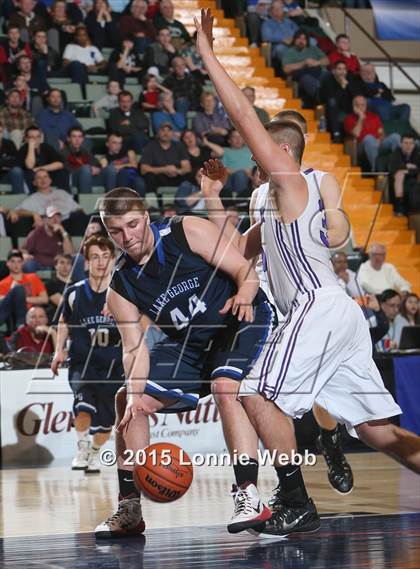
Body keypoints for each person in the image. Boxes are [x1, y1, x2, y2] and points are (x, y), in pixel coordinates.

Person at [195, 8, 420, 537]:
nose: (255, 162)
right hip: (330, 316)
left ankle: (295, 498)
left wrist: (208, 54)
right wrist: (211, 200)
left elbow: (246, 120)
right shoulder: (263, 200)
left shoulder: (296, 184)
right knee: (380, 433)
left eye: (263, 154)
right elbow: (237, 255)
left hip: (320, 306)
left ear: (283, 154)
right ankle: (314, 463)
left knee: (252, 387)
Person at [94, 187, 277, 537]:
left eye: (132, 224)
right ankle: (130, 505)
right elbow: (134, 348)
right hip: (189, 346)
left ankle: (248, 495)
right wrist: (135, 396)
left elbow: (245, 270)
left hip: (237, 320)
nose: (127, 237)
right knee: (127, 401)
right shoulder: (120, 286)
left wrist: (243, 295)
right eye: (116, 231)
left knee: (225, 386)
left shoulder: (186, 230)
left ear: (146, 216)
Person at [51, 235, 124, 474]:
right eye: (95, 257)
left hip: (114, 368)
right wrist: (59, 350)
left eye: (105, 256)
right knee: (83, 405)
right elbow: (63, 321)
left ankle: (93, 452)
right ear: (86, 262)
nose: (101, 262)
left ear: (113, 260)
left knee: (105, 424)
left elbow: (138, 327)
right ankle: (81, 448)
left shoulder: (123, 294)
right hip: (83, 364)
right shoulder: (74, 293)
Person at [10, 169, 89, 239]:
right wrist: (33, 213)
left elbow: (78, 209)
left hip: (69, 222)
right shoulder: (32, 198)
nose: (43, 180)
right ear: (34, 182)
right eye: (39, 178)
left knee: (91, 216)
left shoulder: (62, 193)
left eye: (45, 177)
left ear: (50, 180)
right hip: (48, 225)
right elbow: (17, 211)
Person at [344, 96, 401, 172]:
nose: (360, 107)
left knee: (395, 137)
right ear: (353, 106)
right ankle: (377, 171)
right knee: (369, 138)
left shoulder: (374, 116)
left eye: (363, 105)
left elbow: (382, 133)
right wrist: (361, 118)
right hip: (361, 146)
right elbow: (356, 134)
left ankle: (398, 168)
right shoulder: (349, 118)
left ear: (366, 106)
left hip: (378, 143)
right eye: (357, 105)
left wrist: (379, 139)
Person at [140, 122, 191, 194]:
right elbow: (143, 169)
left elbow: (187, 167)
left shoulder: (179, 146)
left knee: (188, 175)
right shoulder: (150, 146)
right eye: (163, 130)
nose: (165, 133)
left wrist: (176, 171)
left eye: (168, 130)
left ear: (172, 133)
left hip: (176, 176)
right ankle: (152, 203)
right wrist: (164, 169)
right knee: (149, 176)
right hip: (159, 177)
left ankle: (185, 202)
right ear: (158, 132)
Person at [0, 249, 48, 325]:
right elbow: (2, 303)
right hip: (13, 314)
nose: (16, 265)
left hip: (32, 312)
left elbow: (45, 299)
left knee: (19, 290)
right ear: (7, 263)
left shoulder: (33, 277)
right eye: (13, 261)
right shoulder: (2, 283)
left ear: (23, 263)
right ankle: (21, 327)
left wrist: (20, 298)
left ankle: (21, 327)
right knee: (18, 290)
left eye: (19, 261)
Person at [282, 30, 329, 107]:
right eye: (299, 38)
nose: (301, 41)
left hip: (319, 72)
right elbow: (286, 69)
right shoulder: (290, 52)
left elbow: (327, 60)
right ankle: (321, 99)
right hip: (302, 76)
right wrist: (304, 63)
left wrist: (316, 62)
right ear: (294, 40)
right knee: (307, 79)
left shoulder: (313, 48)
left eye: (304, 39)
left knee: (330, 75)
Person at [21, 206, 75, 272]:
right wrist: (25, 255)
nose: (55, 220)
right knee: (28, 265)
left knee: (72, 263)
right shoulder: (36, 233)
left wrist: (63, 231)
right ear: (45, 219)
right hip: (39, 264)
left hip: (57, 265)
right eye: (51, 217)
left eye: (58, 217)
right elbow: (23, 250)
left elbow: (70, 253)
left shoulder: (63, 234)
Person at [15, 125, 69, 192]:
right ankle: (34, 198)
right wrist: (31, 147)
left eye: (38, 137)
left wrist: (40, 168)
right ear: (26, 139)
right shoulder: (23, 150)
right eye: (32, 137)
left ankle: (65, 197)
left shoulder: (46, 147)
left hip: (46, 175)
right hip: (32, 178)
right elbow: (30, 166)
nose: (35, 140)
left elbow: (60, 164)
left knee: (62, 172)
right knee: (30, 173)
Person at [320, 60, 361, 142]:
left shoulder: (350, 80)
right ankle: (336, 134)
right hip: (333, 109)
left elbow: (356, 95)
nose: (342, 72)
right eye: (339, 69)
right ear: (333, 71)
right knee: (332, 102)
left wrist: (347, 86)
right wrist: (342, 87)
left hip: (347, 107)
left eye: (344, 69)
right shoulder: (328, 82)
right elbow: (331, 99)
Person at [62, 25, 107, 97]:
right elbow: (65, 62)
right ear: (75, 37)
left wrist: (96, 68)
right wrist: (84, 67)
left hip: (91, 71)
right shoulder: (70, 46)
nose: (82, 37)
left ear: (87, 37)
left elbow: (103, 63)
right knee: (77, 64)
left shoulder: (93, 48)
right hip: (76, 70)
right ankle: (79, 94)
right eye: (79, 35)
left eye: (84, 35)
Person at [261, 0, 298, 76]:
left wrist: (293, 39)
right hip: (278, 46)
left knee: (311, 42)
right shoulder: (267, 23)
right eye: (275, 8)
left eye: (280, 8)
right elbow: (266, 37)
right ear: (271, 10)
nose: (278, 10)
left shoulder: (289, 22)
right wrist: (282, 40)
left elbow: (299, 32)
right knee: (281, 49)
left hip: (294, 44)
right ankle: (291, 71)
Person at [61, 127, 102, 194]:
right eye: (74, 136)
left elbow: (97, 163)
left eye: (80, 137)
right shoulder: (64, 152)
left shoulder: (85, 151)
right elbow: (66, 170)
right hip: (73, 178)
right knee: (86, 168)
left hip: (88, 176)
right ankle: (87, 201)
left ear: (83, 139)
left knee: (110, 170)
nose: (77, 140)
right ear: (68, 139)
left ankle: (111, 201)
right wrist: (88, 169)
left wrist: (97, 169)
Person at [388, 134, 420, 216]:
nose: (408, 146)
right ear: (401, 144)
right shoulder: (395, 154)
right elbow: (392, 168)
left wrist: (407, 171)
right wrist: (406, 167)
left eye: (411, 143)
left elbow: (417, 169)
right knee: (399, 173)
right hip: (396, 184)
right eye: (406, 143)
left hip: (412, 181)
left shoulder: (416, 154)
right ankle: (399, 207)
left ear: (414, 145)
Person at [45, 253, 74, 323]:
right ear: (56, 266)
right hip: (59, 318)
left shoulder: (77, 284)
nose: (65, 266)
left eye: (68, 263)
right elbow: (62, 303)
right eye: (62, 263)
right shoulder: (51, 284)